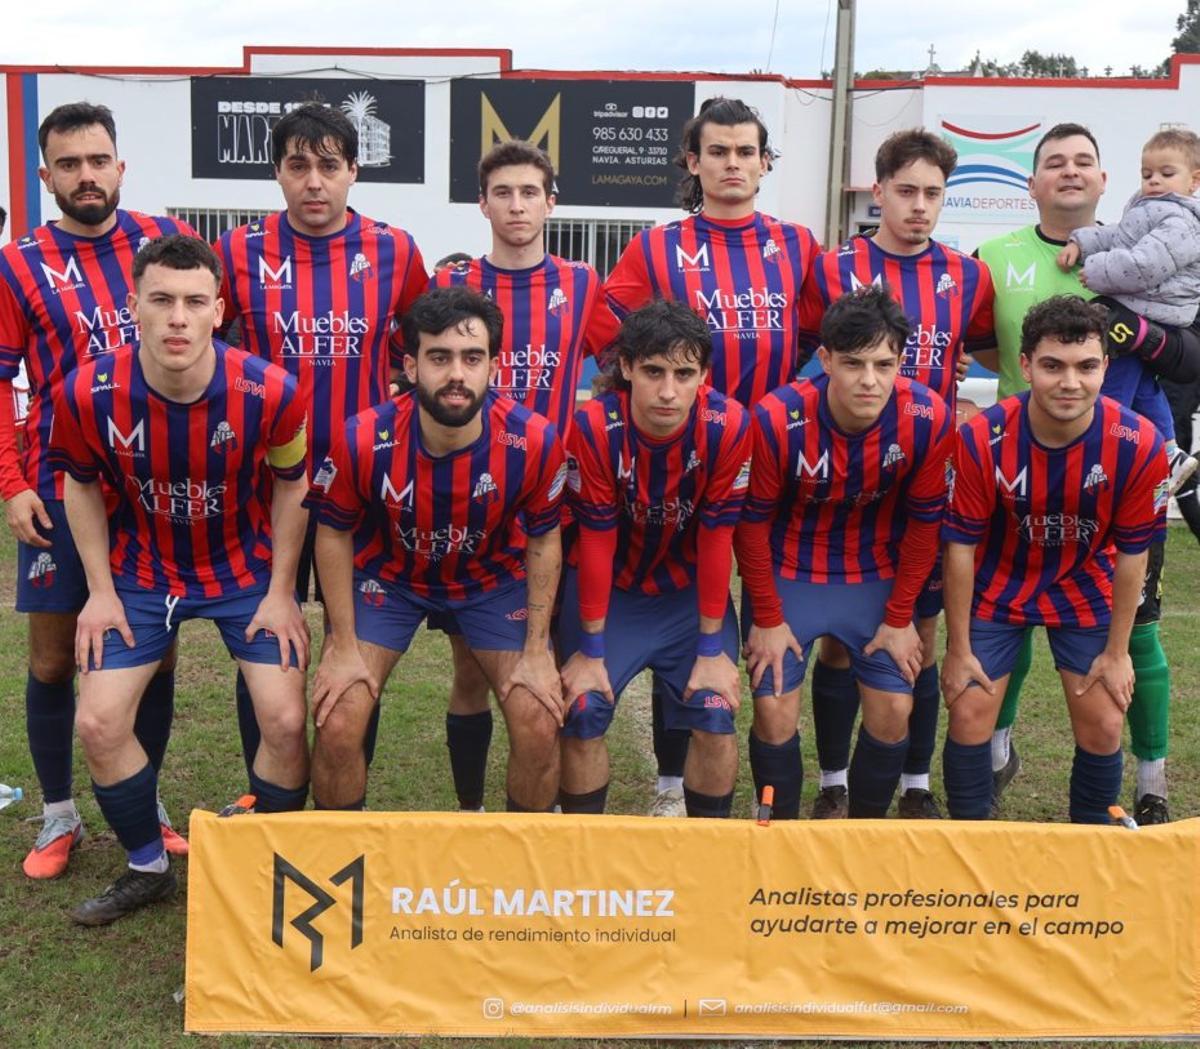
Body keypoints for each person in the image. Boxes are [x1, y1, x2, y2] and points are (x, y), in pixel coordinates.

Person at [49, 235, 311, 923]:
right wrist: (100, 591)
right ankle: (147, 865)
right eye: (161, 299)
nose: (177, 317)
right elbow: (78, 486)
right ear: (133, 305)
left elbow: (293, 485)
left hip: (244, 571)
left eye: (194, 302)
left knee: (285, 718)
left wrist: (283, 590)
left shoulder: (272, 390)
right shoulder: (85, 389)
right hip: (141, 571)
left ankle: (262, 862)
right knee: (99, 721)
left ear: (218, 310)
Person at [595, 96, 821, 816]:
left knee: (767, 619)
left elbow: (831, 343)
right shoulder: (657, 247)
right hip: (687, 466)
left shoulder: (798, 244)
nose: (732, 164)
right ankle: (670, 782)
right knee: (686, 613)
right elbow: (609, 329)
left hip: (779, 466)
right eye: (717, 152)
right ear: (693, 163)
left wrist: (788, 408)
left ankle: (793, 794)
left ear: (763, 162)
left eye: (745, 151)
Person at [975, 122, 1200, 823]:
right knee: (1001, 617)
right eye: (1054, 163)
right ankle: (994, 752)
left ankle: (1152, 779)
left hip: (1124, 479)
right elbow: (978, 345)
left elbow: (1192, 358)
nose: (1070, 172)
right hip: (1016, 480)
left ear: (1107, 182)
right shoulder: (992, 257)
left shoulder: (1148, 250)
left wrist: (1143, 338)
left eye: (1085, 162)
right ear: (1033, 182)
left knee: (1137, 629)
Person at [0, 102, 195, 878]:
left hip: (154, 487)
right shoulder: (18, 262)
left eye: (99, 159)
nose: (88, 175)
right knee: (53, 660)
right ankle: (57, 814)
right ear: (46, 177)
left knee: (159, 655)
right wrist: (13, 483)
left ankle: (144, 803)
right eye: (70, 164)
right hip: (56, 483)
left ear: (120, 166)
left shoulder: (161, 239)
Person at [214, 102, 427, 794]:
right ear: (277, 171)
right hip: (265, 489)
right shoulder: (237, 252)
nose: (314, 181)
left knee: (350, 649)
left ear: (352, 172)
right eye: (299, 165)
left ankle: (343, 793)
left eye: (329, 166)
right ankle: (265, 791)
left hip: (360, 495)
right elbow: (215, 358)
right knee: (267, 646)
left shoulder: (394, 250)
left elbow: (418, 348)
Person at [305, 286, 566, 813]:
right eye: (439, 357)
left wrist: (538, 650)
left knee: (539, 721)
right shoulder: (362, 437)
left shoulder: (534, 440)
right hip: (390, 580)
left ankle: (518, 873)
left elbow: (544, 538)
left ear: (494, 365)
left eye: (472, 358)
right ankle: (340, 870)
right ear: (411, 364)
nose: (456, 374)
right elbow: (331, 530)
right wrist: (342, 643)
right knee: (338, 719)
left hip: (490, 581)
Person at [795, 128, 994, 820]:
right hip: (846, 482)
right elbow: (809, 353)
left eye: (932, 193)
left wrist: (962, 385)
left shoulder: (967, 274)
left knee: (918, 636)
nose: (918, 205)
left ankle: (914, 781)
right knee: (840, 644)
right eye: (905, 191)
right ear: (877, 192)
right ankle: (832, 778)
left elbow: (983, 347)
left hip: (922, 480)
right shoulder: (831, 268)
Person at [941, 295, 1168, 823]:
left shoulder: (1137, 442)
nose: (1070, 382)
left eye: (1086, 367)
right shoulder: (982, 437)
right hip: (1000, 583)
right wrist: (957, 648)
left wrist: (1117, 652)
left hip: (1086, 584)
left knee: (1105, 721)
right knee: (970, 710)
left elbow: (1135, 554)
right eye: (1052, 366)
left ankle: (1090, 847)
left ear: (1104, 368)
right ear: (1025, 366)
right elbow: (960, 548)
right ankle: (971, 841)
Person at [735, 285, 953, 820]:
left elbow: (927, 526)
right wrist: (765, 616)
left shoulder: (928, 416)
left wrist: (901, 618)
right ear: (825, 360)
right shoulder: (775, 418)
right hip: (791, 571)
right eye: (853, 363)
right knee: (772, 707)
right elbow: (751, 525)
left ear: (901, 363)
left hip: (875, 572)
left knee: (894, 708)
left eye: (884, 364)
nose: (870, 380)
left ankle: (863, 833)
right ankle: (778, 831)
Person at [429, 140, 602, 811]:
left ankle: (543, 801)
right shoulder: (452, 282)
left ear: (551, 202)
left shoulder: (580, 283)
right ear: (482, 203)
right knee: (471, 672)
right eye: (503, 192)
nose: (517, 205)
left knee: (551, 661)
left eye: (531, 192)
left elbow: (619, 358)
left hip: (552, 508)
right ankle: (471, 810)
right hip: (470, 509)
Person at [558, 300, 750, 818]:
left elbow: (717, 539)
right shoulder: (595, 425)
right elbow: (595, 538)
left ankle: (705, 856)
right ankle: (580, 854)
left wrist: (712, 650)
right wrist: (591, 650)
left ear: (704, 376)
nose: (668, 391)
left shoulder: (728, 424)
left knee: (714, 715)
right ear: (626, 368)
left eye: (684, 374)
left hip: (685, 596)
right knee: (580, 710)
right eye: (654, 372)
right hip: (610, 593)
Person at [1058, 126, 1200, 487]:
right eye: (1147, 173)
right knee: (1141, 386)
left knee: (1114, 384)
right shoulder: (1151, 206)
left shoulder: (1181, 221)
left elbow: (1143, 266)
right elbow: (1118, 236)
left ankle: (1102, 455)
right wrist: (1081, 241)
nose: (1154, 181)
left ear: (1194, 180)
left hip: (1153, 309)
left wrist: (1095, 270)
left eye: (1166, 174)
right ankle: (1169, 453)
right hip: (1143, 309)